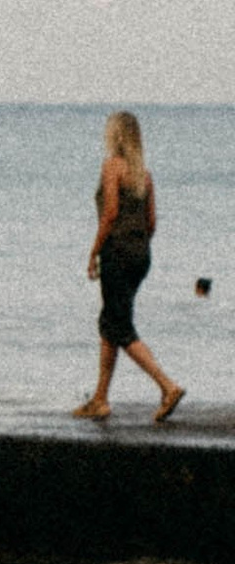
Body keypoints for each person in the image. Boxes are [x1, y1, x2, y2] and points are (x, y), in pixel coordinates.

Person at [75, 109, 186, 424]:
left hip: (118, 253)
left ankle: (167, 386)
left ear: (116, 136)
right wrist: (138, 247)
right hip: (140, 255)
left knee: (119, 326)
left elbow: (109, 213)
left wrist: (94, 252)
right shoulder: (144, 175)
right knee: (112, 320)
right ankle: (99, 399)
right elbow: (151, 222)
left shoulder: (112, 167)